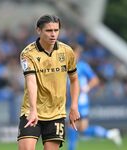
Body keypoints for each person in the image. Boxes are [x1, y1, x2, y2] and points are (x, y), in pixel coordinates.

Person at [17, 14, 81, 150]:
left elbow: (74, 80)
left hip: (56, 113)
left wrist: (74, 106)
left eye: (56, 30)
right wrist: (33, 109)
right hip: (32, 111)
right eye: (49, 30)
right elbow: (31, 81)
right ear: (38, 30)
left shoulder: (67, 51)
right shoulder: (28, 54)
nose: (53, 34)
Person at [66, 44, 122, 150]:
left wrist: (86, 87)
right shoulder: (65, 66)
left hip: (80, 101)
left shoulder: (82, 66)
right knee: (82, 128)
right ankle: (109, 134)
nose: (75, 55)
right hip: (73, 100)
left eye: (76, 53)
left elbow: (95, 79)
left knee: (72, 126)